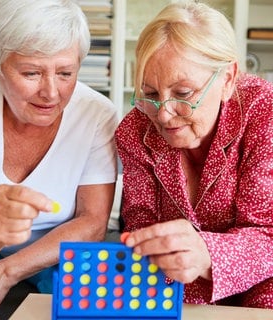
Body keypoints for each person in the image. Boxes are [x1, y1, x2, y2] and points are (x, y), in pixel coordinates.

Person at [0, 0, 118, 317]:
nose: (51, 93)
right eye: (31, 72)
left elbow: (92, 223)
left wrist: (4, 273)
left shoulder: (97, 115)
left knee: (101, 297)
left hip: (55, 253)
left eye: (66, 73)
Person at [115, 0, 273, 309]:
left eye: (183, 93)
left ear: (227, 79)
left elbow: (269, 234)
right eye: (150, 94)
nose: (163, 114)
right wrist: (149, 245)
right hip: (177, 281)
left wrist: (210, 254)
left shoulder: (264, 111)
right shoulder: (133, 131)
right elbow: (141, 225)